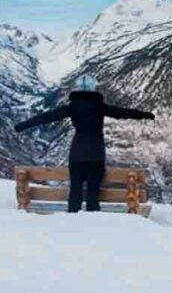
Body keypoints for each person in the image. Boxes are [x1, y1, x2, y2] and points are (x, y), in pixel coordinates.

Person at [12, 75, 155, 212]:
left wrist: (22, 125)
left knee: (75, 192)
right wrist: (145, 114)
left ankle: (73, 222)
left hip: (77, 153)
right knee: (93, 195)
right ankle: (91, 226)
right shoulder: (100, 107)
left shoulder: (72, 107)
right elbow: (122, 112)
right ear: (93, 88)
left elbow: (47, 117)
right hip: (96, 154)